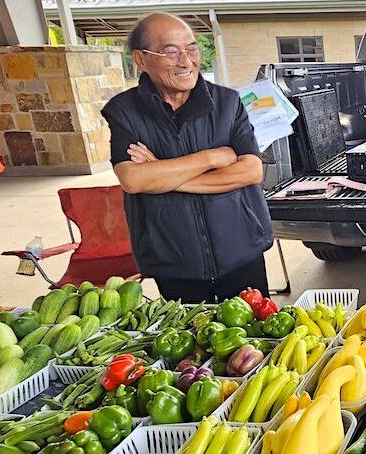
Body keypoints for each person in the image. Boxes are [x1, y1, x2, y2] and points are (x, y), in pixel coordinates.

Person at [102, 13, 273, 302]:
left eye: (192, 48)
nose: (186, 60)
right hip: (174, 261)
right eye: (171, 51)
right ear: (141, 59)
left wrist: (160, 173)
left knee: (257, 340)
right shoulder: (124, 111)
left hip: (241, 250)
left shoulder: (228, 103)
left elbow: (251, 171)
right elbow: (132, 179)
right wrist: (210, 157)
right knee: (191, 344)